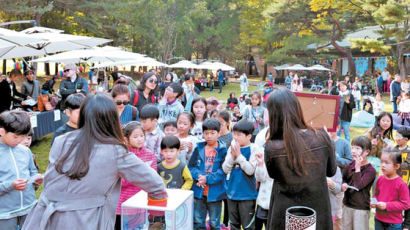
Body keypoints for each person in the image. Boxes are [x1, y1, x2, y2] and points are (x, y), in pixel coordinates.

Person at [22, 93, 167, 230]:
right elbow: (156, 185)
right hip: (83, 220)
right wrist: (155, 217)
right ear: (112, 118)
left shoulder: (62, 140)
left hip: (43, 218)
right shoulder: (115, 151)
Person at [264, 86, 337, 230]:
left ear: (274, 114)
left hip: (285, 211)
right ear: (297, 108)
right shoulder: (321, 137)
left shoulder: (272, 147)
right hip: (316, 208)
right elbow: (331, 171)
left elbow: (273, 174)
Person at [0, 111, 43, 230]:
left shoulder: (25, 151)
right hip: (5, 214)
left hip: (29, 208)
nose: (20, 140)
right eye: (15, 136)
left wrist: (36, 180)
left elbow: (33, 172)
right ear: (2, 131)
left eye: (23, 136)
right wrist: (11, 185)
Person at [114, 121, 157, 230]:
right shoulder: (122, 155)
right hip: (122, 203)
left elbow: (153, 177)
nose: (140, 139)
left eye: (142, 136)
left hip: (141, 203)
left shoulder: (149, 154)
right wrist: (139, 177)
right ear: (126, 139)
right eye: (135, 137)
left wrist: (134, 176)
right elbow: (120, 181)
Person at [188, 118, 227, 230]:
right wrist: (199, 177)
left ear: (219, 133)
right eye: (206, 133)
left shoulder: (223, 150)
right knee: (198, 221)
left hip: (215, 193)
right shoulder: (199, 148)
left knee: (215, 222)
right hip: (199, 191)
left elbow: (223, 171)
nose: (209, 136)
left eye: (212, 133)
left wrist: (207, 178)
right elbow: (191, 167)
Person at [222, 120, 262, 230]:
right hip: (231, 193)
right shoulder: (232, 148)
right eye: (234, 134)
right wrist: (232, 156)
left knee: (248, 226)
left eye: (239, 135)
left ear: (249, 136)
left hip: (247, 195)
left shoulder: (254, 149)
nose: (235, 137)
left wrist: (239, 156)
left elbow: (250, 170)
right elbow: (225, 169)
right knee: (233, 225)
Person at [342, 136, 376, 230]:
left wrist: (357, 168)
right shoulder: (349, 165)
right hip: (347, 204)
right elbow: (344, 178)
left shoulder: (370, 170)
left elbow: (358, 185)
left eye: (357, 148)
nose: (353, 151)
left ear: (367, 152)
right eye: (352, 147)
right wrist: (343, 184)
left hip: (360, 208)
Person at [372, 148, 410, 229]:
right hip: (378, 219)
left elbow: (406, 204)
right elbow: (376, 195)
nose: (382, 165)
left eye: (386, 163)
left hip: (393, 224)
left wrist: (387, 205)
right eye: (382, 161)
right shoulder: (380, 179)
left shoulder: (402, 184)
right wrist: (374, 201)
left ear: (396, 166)